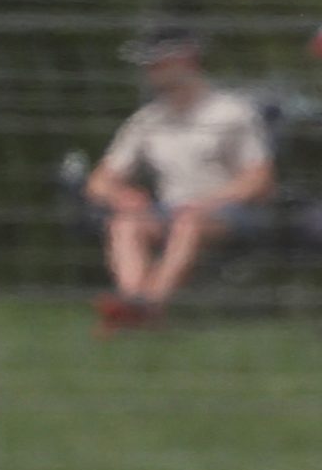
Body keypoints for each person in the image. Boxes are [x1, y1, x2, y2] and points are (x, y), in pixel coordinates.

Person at [83, 23, 273, 332]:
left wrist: (207, 204)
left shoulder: (232, 113)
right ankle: (133, 302)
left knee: (188, 222)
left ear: (186, 61)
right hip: (166, 210)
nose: (149, 71)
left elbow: (259, 179)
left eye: (156, 63)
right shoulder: (147, 120)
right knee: (125, 222)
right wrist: (121, 196)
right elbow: (99, 181)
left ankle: (149, 306)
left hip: (226, 214)